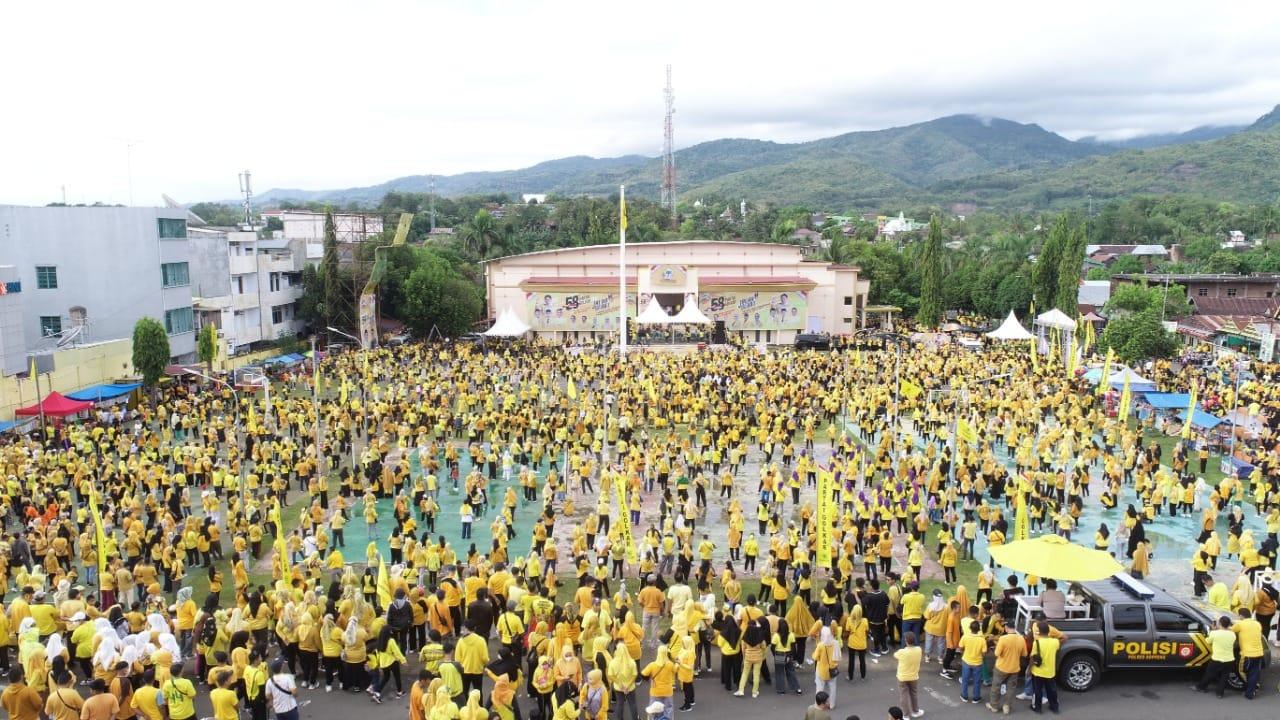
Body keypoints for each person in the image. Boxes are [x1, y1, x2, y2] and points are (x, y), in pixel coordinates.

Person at [988, 623, 1026, 714]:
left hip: (1001, 667)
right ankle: (1006, 707)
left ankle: (994, 706)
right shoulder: (1021, 639)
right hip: (1014, 668)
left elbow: (997, 654)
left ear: (1006, 628)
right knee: (1011, 689)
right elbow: (1024, 654)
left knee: (996, 687)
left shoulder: (1003, 639)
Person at [1195, 616, 1236, 698]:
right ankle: (1220, 693)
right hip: (1229, 659)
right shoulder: (1232, 634)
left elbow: (1207, 641)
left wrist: (1213, 630)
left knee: (1209, 674)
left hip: (1217, 658)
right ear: (1228, 624)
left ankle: (1201, 687)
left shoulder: (1215, 633)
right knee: (1224, 677)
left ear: (1219, 623)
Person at [1231, 608, 1265, 699]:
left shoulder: (1240, 624)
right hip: (1259, 653)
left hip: (1247, 654)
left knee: (1242, 672)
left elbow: (1230, 629)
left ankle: (1250, 691)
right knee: (1254, 672)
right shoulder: (1257, 623)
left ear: (1241, 616)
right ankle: (1252, 689)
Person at [1029, 621, 1061, 714]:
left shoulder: (1037, 643)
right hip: (1050, 672)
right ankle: (1054, 707)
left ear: (1039, 631)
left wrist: (1029, 668)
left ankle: (1037, 708)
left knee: (1037, 690)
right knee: (1052, 690)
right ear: (1048, 631)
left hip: (1038, 671)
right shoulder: (1055, 642)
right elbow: (1058, 646)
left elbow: (1032, 657)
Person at [640, 645, 676, 720]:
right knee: (668, 708)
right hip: (667, 691)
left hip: (655, 691)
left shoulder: (652, 665)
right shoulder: (670, 664)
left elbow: (643, 675)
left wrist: (650, 678)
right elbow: (676, 671)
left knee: (653, 709)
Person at [893, 632, 923, 718]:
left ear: (906, 641)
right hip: (914, 676)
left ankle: (905, 715)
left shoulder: (902, 652)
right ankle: (915, 711)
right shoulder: (919, 649)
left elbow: (895, 655)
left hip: (902, 677)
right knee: (914, 693)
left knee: (904, 695)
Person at [957, 620, 986, 704]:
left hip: (966, 661)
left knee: (965, 679)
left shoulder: (965, 637)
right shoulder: (982, 640)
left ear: (970, 628)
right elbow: (984, 653)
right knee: (977, 681)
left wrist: (964, 654)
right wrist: (980, 657)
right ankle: (976, 697)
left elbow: (961, 647)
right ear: (978, 629)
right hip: (978, 663)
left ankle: (964, 696)